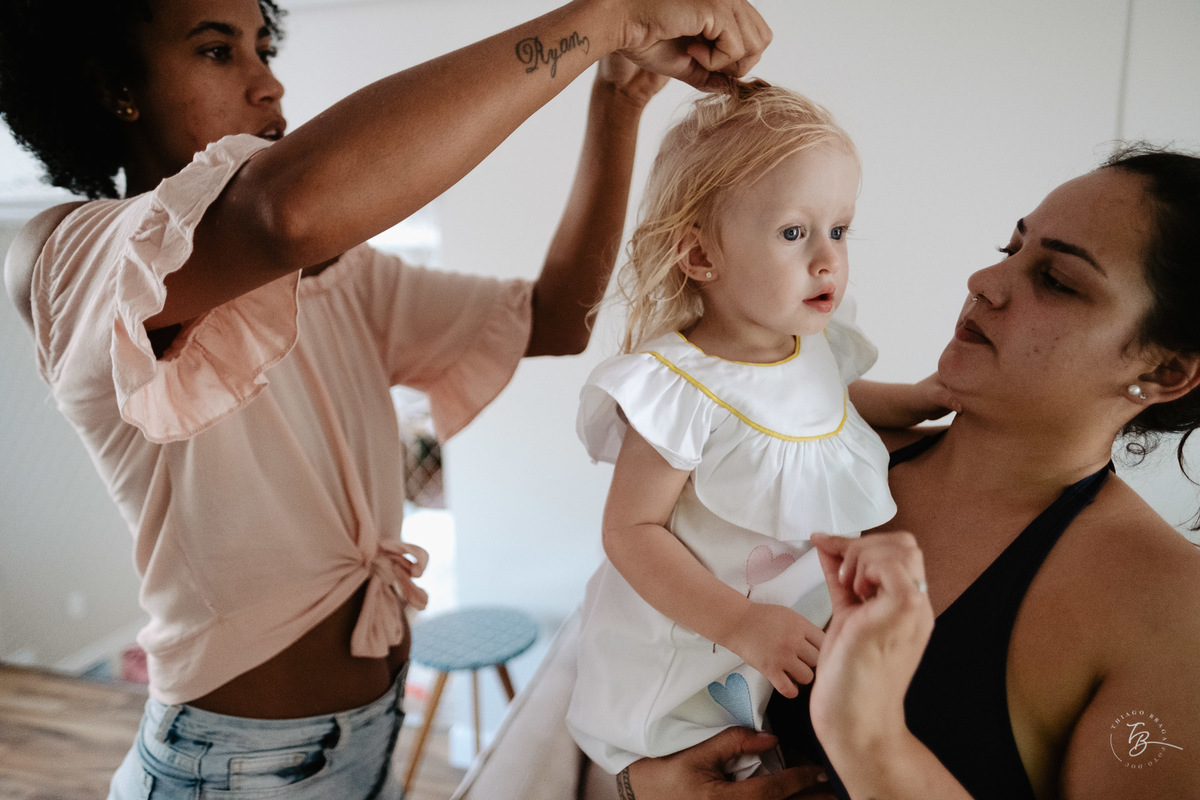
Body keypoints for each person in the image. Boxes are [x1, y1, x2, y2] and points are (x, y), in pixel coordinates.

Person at [0, 0, 772, 797]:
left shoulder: (342, 277)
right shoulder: (71, 258)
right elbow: (287, 210)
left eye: (263, 46)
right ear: (113, 84)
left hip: (367, 737)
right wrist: (605, 17)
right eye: (216, 51)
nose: (267, 81)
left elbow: (556, 318)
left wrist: (617, 96)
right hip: (230, 769)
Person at [620, 144, 1200, 799]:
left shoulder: (1174, 612)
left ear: (1162, 371)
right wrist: (641, 785)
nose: (985, 279)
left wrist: (870, 739)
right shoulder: (806, 451)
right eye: (1012, 249)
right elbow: (639, 653)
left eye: (1058, 280)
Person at [565, 81, 944, 780]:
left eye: (839, 229)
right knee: (690, 749)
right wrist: (738, 625)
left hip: (768, 638)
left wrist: (917, 399)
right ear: (702, 256)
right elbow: (630, 531)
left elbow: (829, 405)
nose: (827, 257)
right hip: (691, 638)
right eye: (794, 233)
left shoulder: (807, 340)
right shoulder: (680, 386)